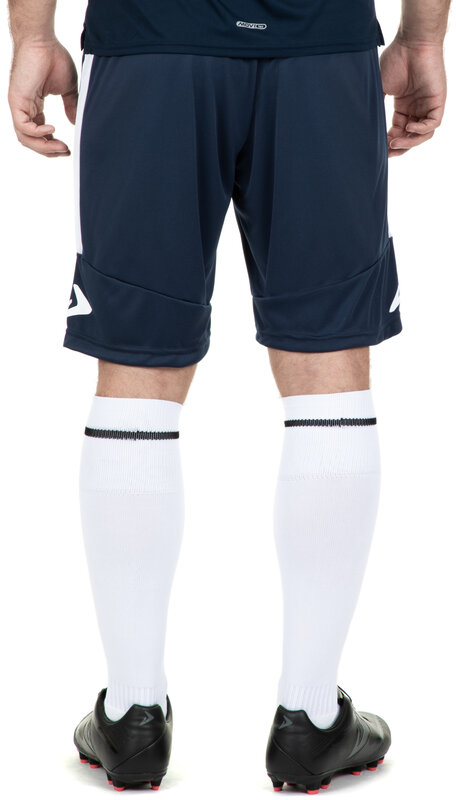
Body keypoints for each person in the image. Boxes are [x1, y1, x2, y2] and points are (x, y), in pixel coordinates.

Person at [7, 0, 451, 793]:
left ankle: (133, 716)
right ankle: (310, 717)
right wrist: (424, 33)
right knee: (329, 364)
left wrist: (32, 34)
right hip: (321, 46)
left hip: (152, 41)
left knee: (137, 373)